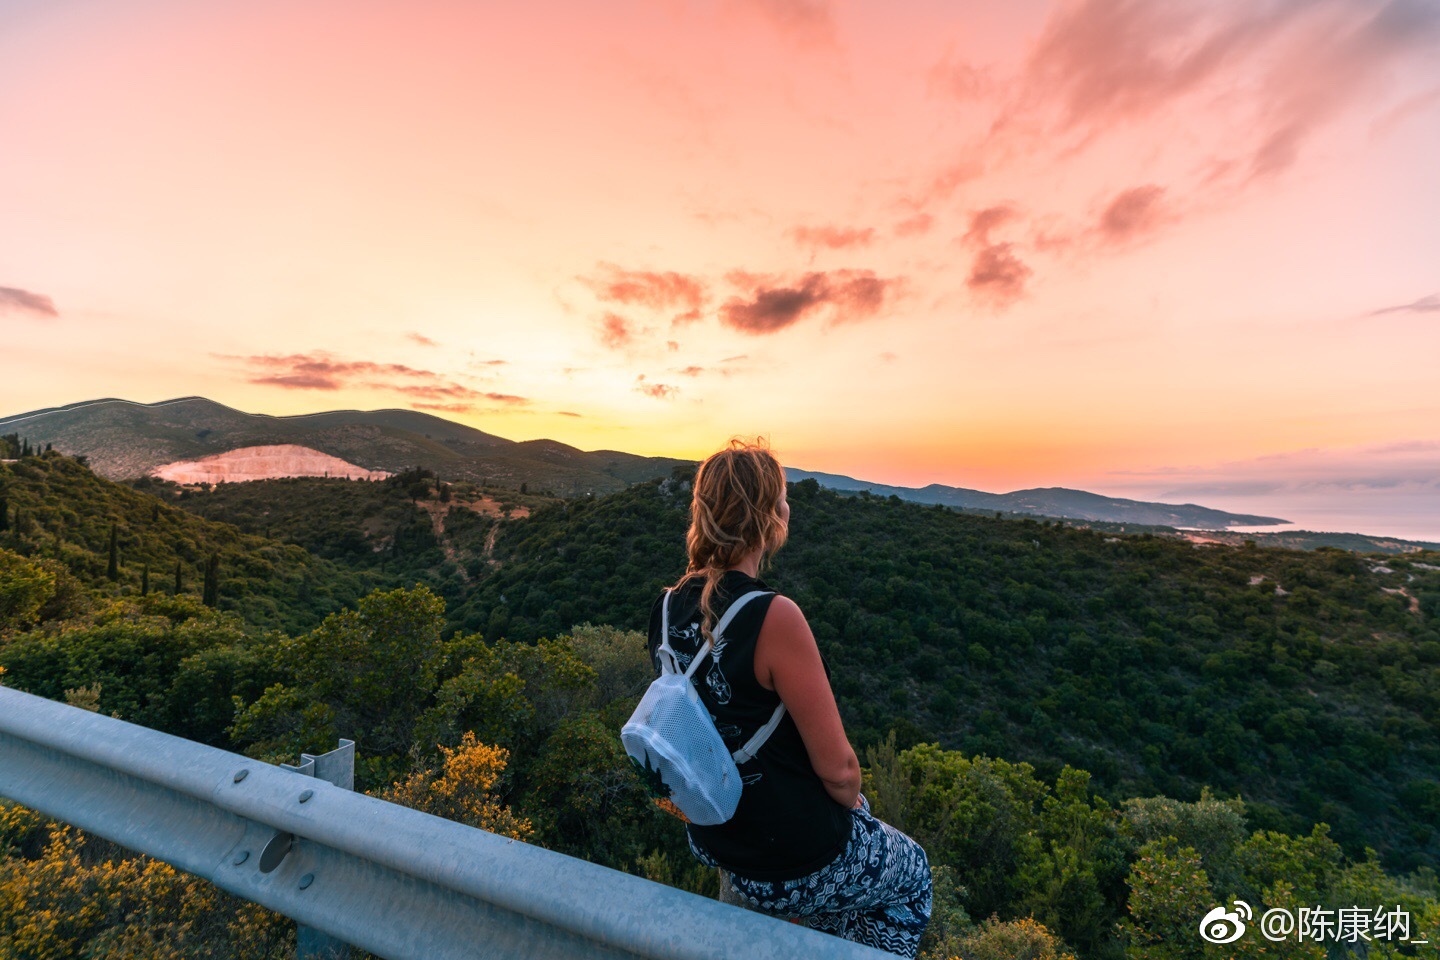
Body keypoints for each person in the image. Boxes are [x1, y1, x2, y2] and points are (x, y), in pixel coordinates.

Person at [645, 439, 933, 958]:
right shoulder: (775, 617)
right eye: (783, 498)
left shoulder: (666, 609)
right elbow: (840, 773)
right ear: (767, 518)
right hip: (791, 857)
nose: (789, 508)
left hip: (717, 838)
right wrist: (858, 809)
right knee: (913, 879)